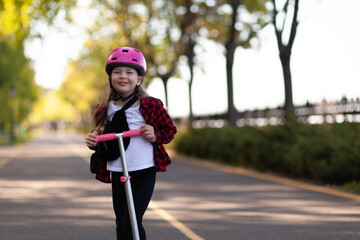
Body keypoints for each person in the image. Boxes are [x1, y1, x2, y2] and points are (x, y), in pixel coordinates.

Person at [85, 47, 177, 240]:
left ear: (139, 79)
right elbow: (100, 136)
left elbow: (169, 131)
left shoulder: (151, 104)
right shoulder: (103, 107)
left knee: (132, 222)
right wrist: (93, 141)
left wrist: (154, 135)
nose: (122, 76)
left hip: (144, 170)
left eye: (129, 72)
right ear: (110, 77)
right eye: (117, 71)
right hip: (118, 170)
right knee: (120, 223)